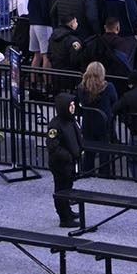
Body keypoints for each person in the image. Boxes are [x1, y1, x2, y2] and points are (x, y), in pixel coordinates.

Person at [47, 95, 87, 230]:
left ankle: (68, 211)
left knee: (68, 188)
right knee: (61, 190)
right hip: (60, 164)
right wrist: (69, 157)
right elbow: (53, 147)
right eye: (70, 106)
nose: (73, 108)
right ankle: (64, 218)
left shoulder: (71, 120)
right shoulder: (55, 125)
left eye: (73, 105)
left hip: (70, 163)